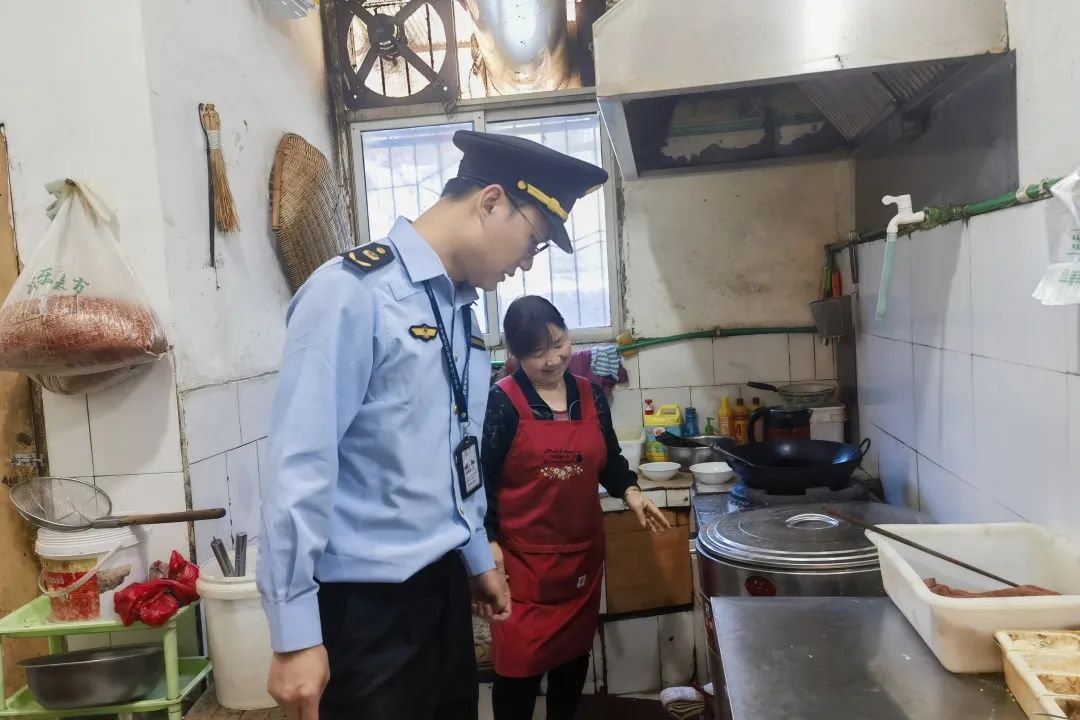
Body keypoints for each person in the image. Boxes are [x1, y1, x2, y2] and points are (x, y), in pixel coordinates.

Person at [257, 130, 609, 720]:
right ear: (491, 202)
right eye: (533, 240)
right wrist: (293, 634)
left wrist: (474, 558)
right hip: (367, 610)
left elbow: (455, 454)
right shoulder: (351, 295)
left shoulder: (459, 314)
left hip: (443, 593)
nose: (527, 263)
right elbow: (300, 466)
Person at [482, 295, 672, 720]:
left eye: (558, 343)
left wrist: (631, 492)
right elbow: (483, 482)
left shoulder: (590, 394)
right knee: (517, 676)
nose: (552, 359)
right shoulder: (502, 402)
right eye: (537, 352)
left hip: (580, 564)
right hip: (522, 569)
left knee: (571, 669)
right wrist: (489, 542)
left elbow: (610, 461)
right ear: (516, 354)